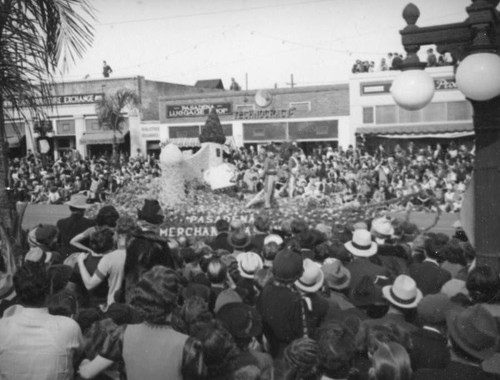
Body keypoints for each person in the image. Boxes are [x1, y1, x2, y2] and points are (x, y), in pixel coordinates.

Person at [78, 266, 205, 380]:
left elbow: (87, 373)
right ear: (174, 300)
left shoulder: (122, 334)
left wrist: (84, 362)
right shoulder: (189, 345)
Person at [0, 262, 83, 380]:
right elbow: (77, 356)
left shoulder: (2, 327)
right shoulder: (69, 326)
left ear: (17, 293)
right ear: (50, 290)